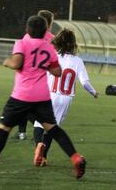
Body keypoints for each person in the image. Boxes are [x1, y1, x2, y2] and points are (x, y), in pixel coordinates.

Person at [0, 16, 86, 179]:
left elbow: (16, 63)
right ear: (45, 31)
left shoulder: (22, 43)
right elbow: (57, 72)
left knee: (3, 129)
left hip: (22, 95)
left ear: (27, 30)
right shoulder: (48, 48)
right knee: (53, 128)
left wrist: (6, 61)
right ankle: (75, 157)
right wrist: (43, 64)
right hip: (42, 96)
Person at [32, 29, 98, 167]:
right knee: (52, 128)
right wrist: (93, 92)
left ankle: (39, 145)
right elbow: (85, 82)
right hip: (65, 99)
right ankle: (43, 157)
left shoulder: (52, 56)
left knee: (39, 124)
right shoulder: (78, 61)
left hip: (49, 95)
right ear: (72, 44)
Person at [15, 10, 56, 140]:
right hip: (46, 79)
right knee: (36, 108)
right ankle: (41, 128)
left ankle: (23, 132)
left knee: (23, 105)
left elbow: (21, 56)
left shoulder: (28, 36)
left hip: (26, 78)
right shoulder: (53, 39)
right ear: (48, 23)